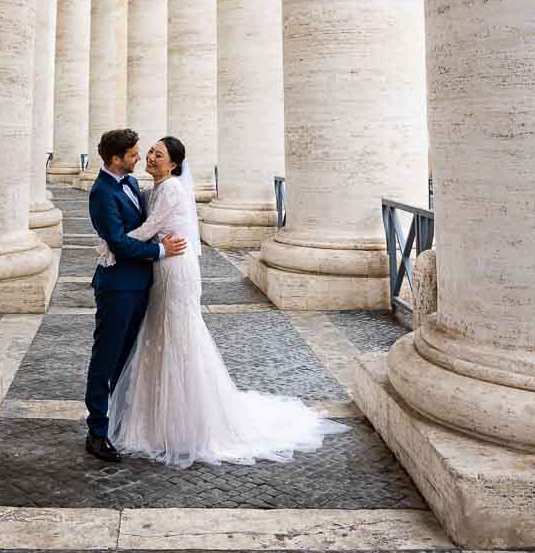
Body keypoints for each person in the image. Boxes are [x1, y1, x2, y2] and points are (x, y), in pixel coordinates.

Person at [107, 136, 347, 467]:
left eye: (158, 155)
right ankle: (158, 418)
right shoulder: (158, 187)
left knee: (178, 333)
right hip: (163, 265)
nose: (150, 157)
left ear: (174, 164)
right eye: (149, 151)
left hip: (175, 267)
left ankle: (184, 423)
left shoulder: (173, 189)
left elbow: (149, 227)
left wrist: (111, 246)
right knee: (161, 332)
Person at [84, 128, 187, 463]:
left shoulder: (129, 184)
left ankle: (121, 420)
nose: (139, 158)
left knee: (128, 357)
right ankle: (97, 432)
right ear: (116, 158)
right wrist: (159, 251)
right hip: (117, 287)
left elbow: (156, 214)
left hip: (142, 284)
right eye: (133, 154)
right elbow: (117, 241)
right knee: (106, 358)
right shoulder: (101, 192)